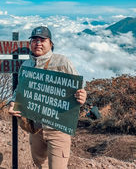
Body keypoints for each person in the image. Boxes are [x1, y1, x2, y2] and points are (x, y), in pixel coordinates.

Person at [8, 26, 87, 169]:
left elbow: (79, 86)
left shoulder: (62, 62)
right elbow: (20, 90)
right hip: (35, 128)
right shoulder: (26, 65)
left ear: (50, 44)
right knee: (39, 164)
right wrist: (13, 102)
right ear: (30, 43)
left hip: (58, 128)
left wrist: (82, 95)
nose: (38, 43)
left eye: (42, 40)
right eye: (35, 40)